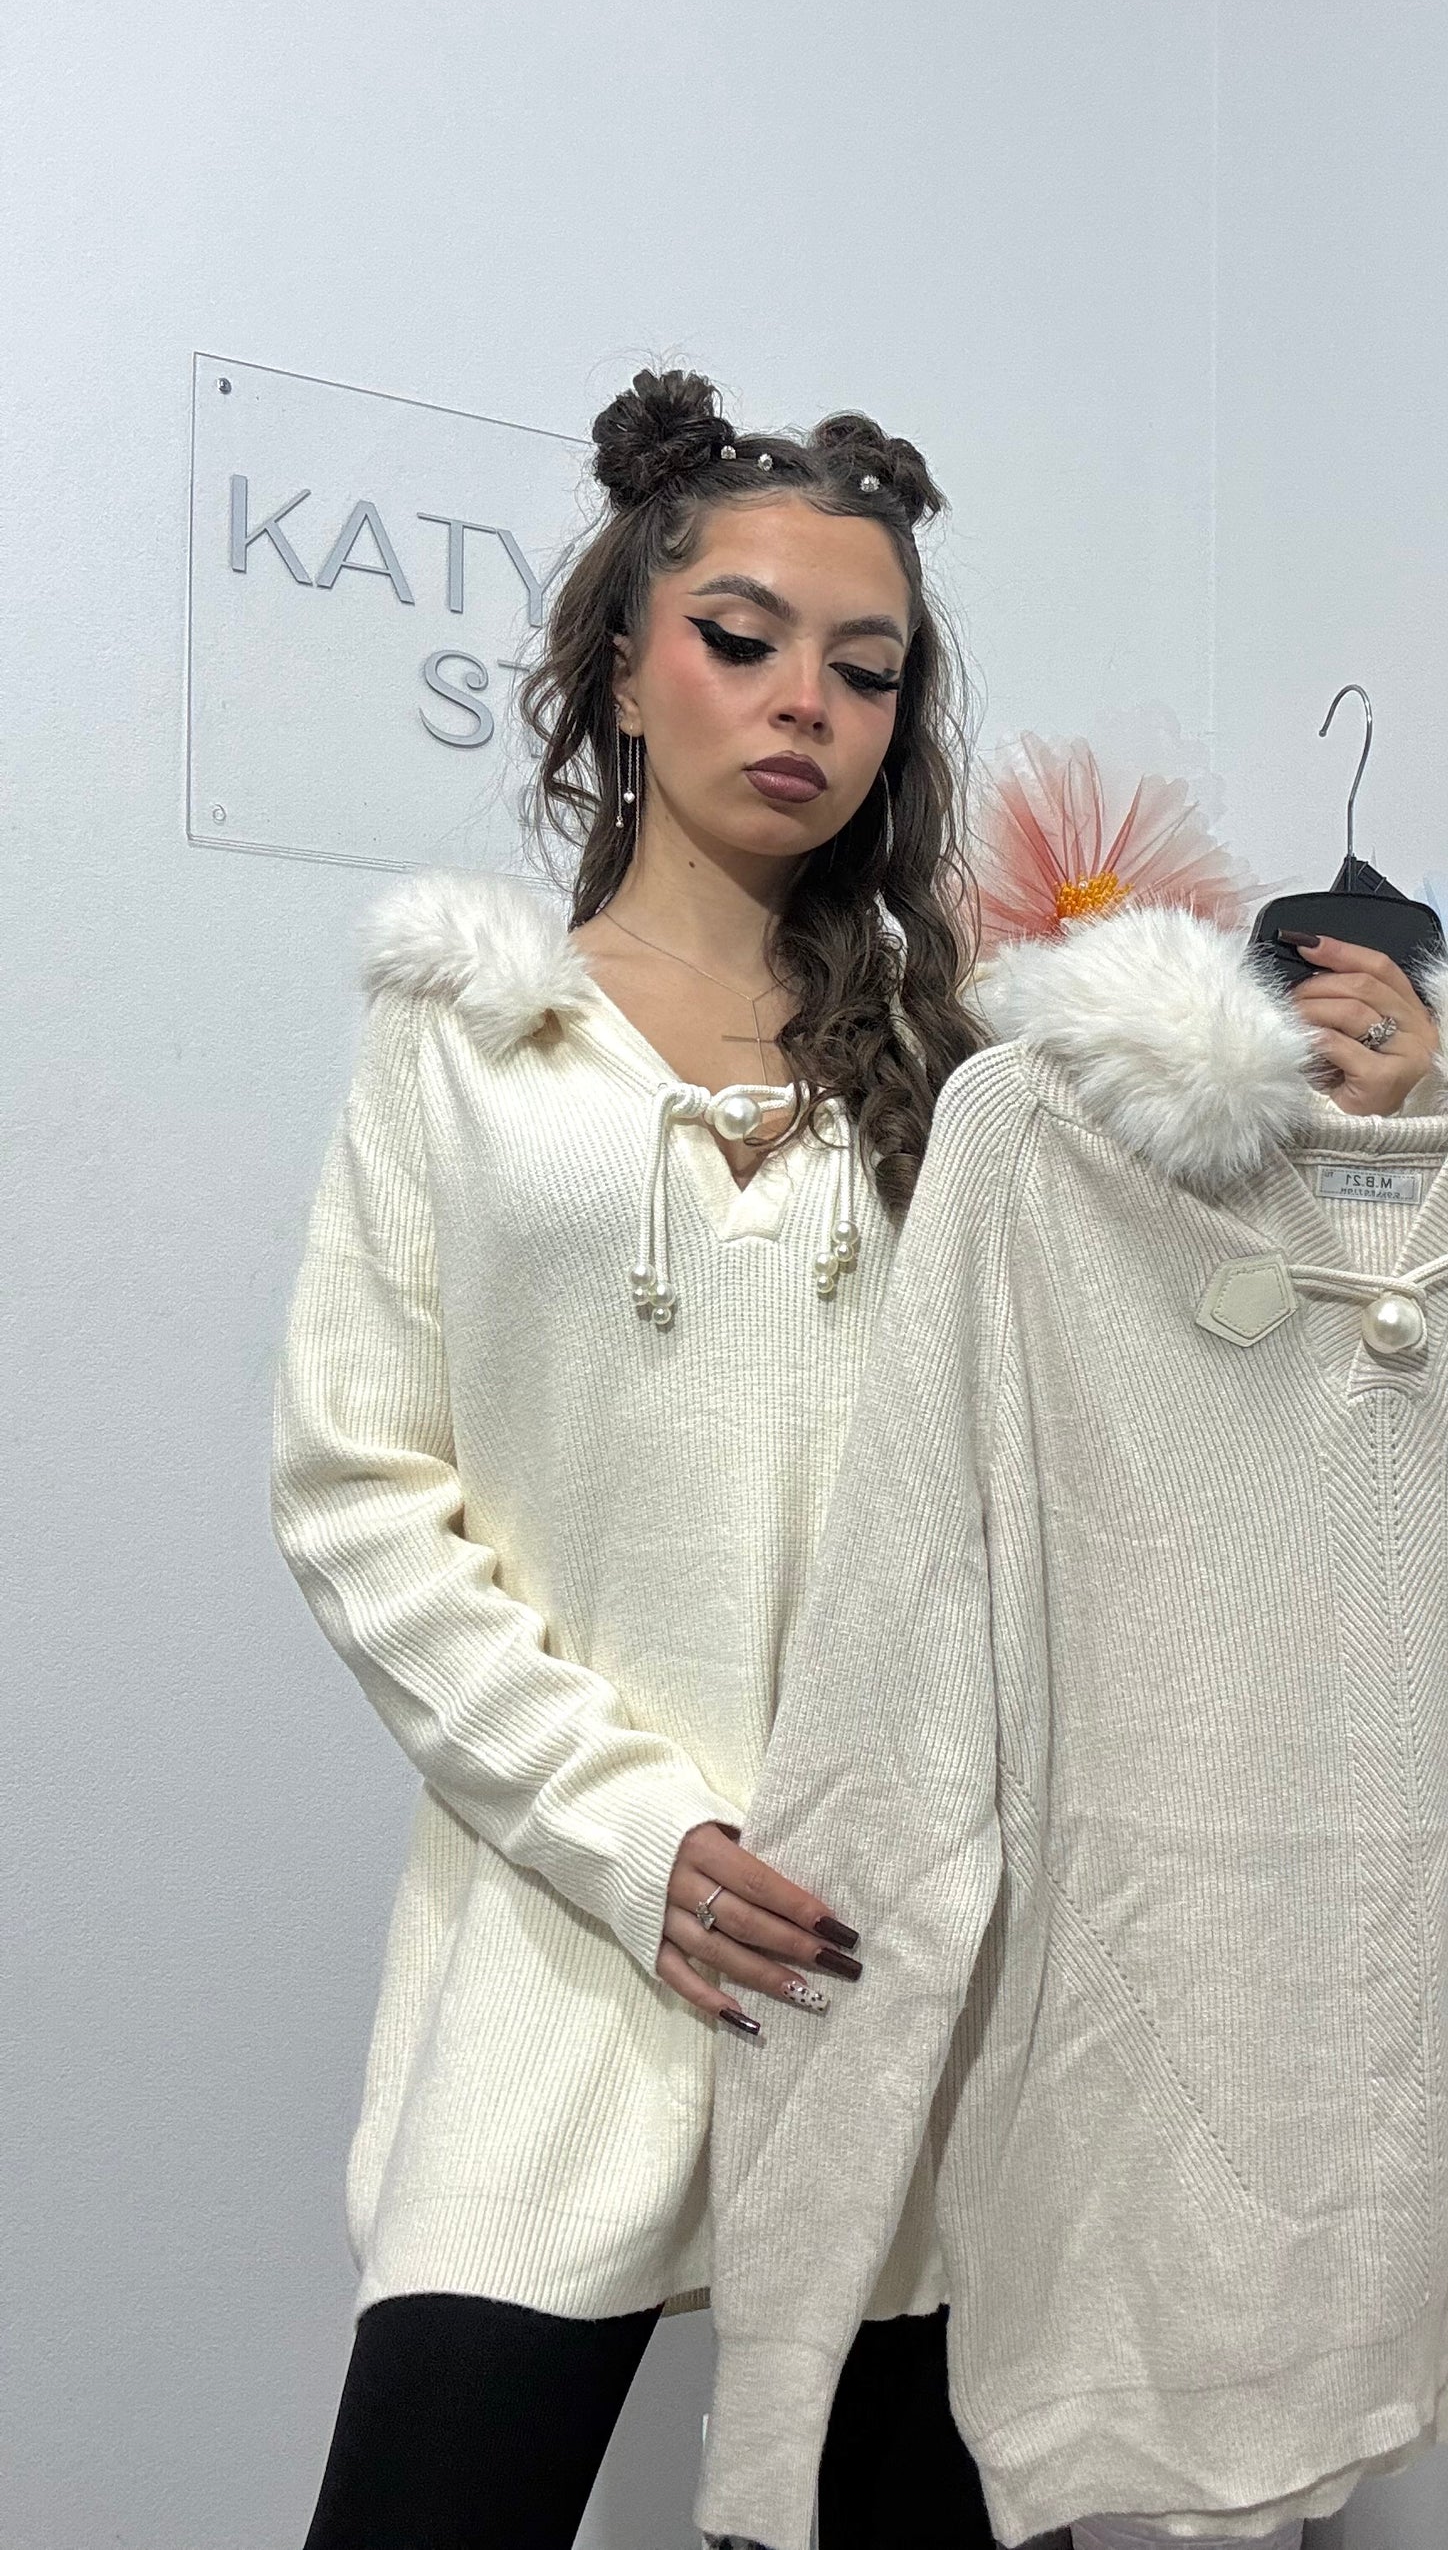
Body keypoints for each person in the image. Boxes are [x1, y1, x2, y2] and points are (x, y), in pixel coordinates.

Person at [272, 364, 996, 2550]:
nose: (804, 705)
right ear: (617, 662)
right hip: (565, 1923)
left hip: (888, 1960)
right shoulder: (465, 1033)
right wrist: (631, 1831)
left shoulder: (969, 1075)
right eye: (741, 639)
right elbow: (359, 1488)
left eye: (864, 668)